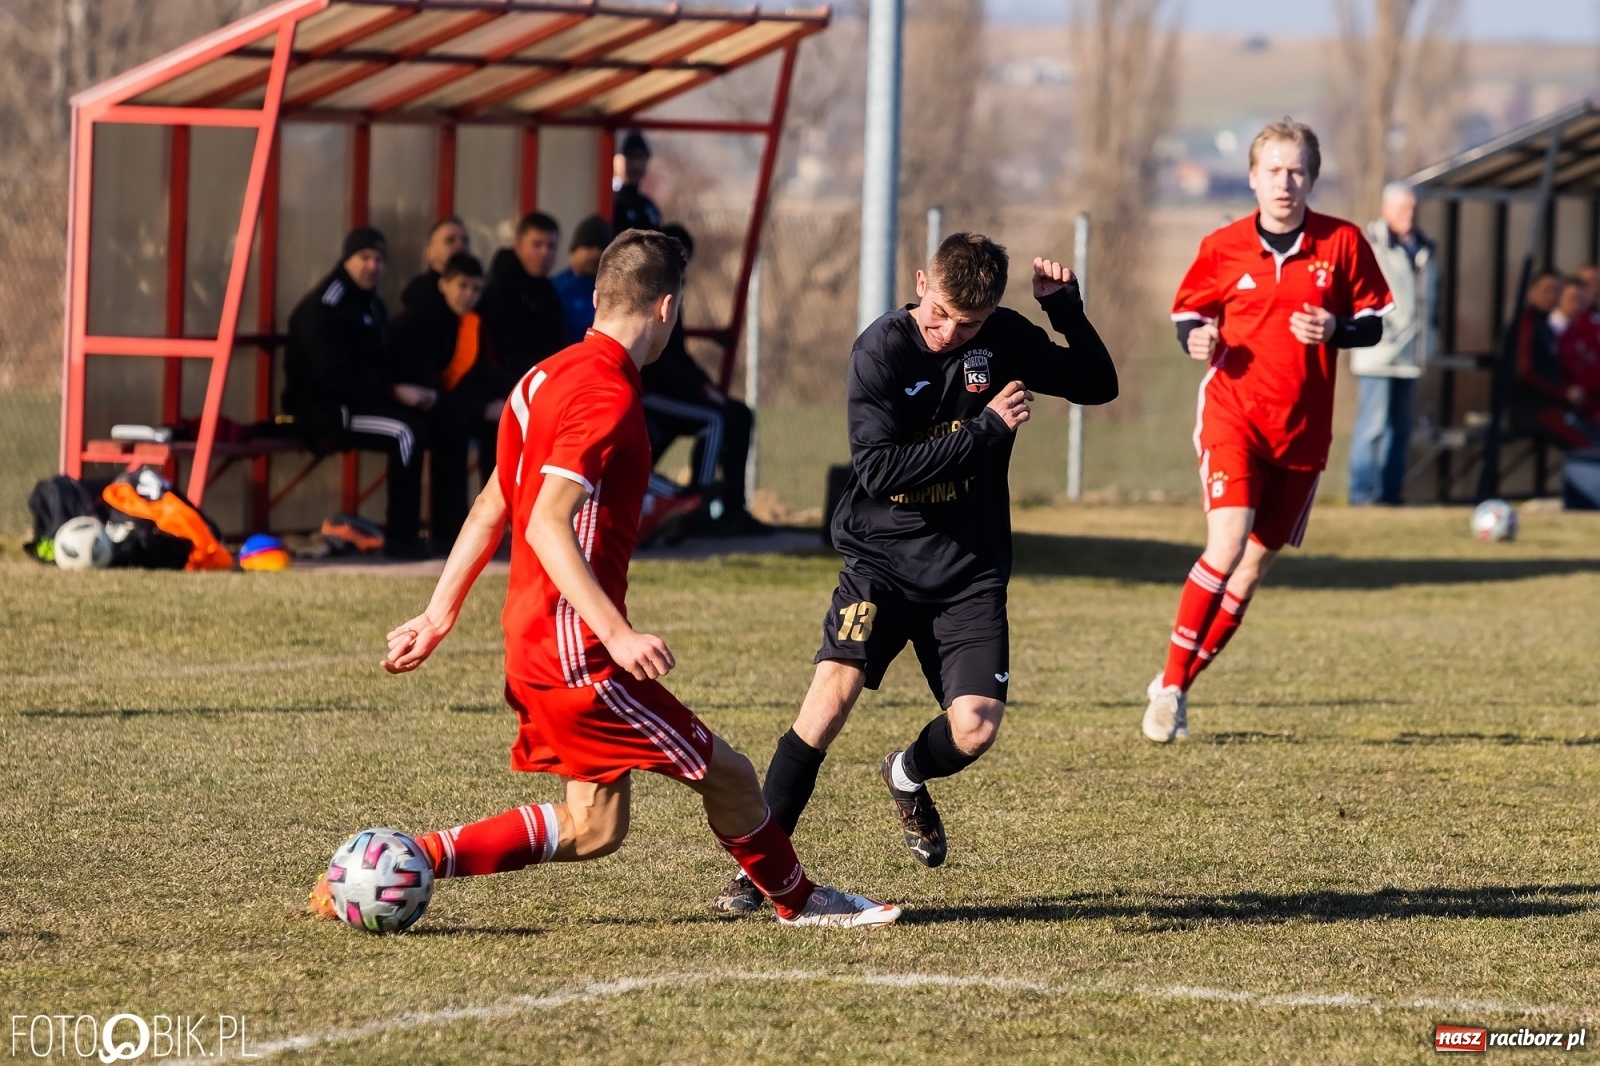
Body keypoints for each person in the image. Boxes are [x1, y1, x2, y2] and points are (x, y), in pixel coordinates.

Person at [310, 228, 900, 930]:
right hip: (577, 653)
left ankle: (408, 860)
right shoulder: (605, 396)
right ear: (667, 308)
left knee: (596, 828)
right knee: (732, 775)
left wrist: (439, 615)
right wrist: (617, 634)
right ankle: (801, 902)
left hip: (536, 639)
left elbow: (493, 503)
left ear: (596, 297)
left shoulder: (539, 379)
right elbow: (543, 523)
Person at [711, 232, 1118, 915]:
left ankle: (905, 772)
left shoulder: (1003, 339)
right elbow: (878, 471)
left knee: (976, 728)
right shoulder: (881, 351)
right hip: (882, 563)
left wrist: (1066, 311)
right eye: (940, 314)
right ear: (921, 284)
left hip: (968, 571)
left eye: (968, 324)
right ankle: (760, 873)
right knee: (828, 702)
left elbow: (1098, 385)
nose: (948, 333)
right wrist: (984, 431)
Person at [1143, 119, 1393, 744]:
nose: (1285, 182)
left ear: (1313, 178)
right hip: (1233, 414)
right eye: (1274, 170)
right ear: (1253, 178)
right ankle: (1169, 693)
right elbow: (1188, 313)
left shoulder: (1342, 242)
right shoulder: (1222, 246)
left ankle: (1176, 684)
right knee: (1226, 545)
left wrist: (1336, 330)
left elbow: (1375, 320)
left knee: (1251, 569)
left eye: (1297, 170)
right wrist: (1196, 337)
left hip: (1303, 432)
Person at [282, 226, 431, 560]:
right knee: (406, 433)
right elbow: (329, 377)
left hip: (361, 402)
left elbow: (379, 363)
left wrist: (417, 391)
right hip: (326, 411)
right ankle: (402, 540)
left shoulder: (372, 303)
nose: (372, 266)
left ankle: (450, 532)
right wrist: (393, 392)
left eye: (379, 259)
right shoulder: (326, 305)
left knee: (443, 421)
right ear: (347, 260)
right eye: (364, 257)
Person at [641, 223, 766, 535]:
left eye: (684, 259)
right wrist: (699, 389)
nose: (681, 265)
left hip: (674, 387)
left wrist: (704, 387)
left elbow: (678, 355)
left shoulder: (674, 292)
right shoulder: (648, 292)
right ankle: (697, 504)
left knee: (739, 414)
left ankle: (733, 509)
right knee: (714, 419)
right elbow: (660, 362)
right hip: (651, 390)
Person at [389, 252, 508, 555]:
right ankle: (438, 535)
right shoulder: (419, 321)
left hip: (442, 403)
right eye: (463, 286)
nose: (469, 295)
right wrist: (481, 409)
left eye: (476, 288)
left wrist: (496, 403)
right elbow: (424, 386)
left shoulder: (469, 322)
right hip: (401, 401)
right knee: (450, 428)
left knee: (495, 427)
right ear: (443, 284)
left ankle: (496, 527)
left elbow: (475, 375)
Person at [1349, 181, 1436, 506]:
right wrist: (1383, 331)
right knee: (1373, 427)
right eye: (1402, 208)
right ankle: (1363, 495)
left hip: (1412, 355)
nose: (1408, 214)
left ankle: (1390, 494)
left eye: (1413, 207)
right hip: (1379, 353)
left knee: (1400, 429)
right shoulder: (1371, 244)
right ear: (1386, 209)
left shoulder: (1424, 249)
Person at [478, 211, 568, 381]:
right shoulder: (500, 288)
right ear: (518, 245)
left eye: (551, 246)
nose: (545, 253)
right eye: (537, 245)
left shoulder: (548, 290)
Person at [553, 215, 611, 344]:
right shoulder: (556, 287)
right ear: (574, 251)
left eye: (601, 248)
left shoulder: (615, 290)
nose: (596, 254)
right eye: (589, 247)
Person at [400, 217, 471, 314]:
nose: (460, 245)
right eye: (450, 240)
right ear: (430, 253)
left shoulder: (479, 295)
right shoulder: (420, 296)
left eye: (465, 241)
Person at [611, 130, 662, 234]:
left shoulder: (649, 207)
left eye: (640, 157)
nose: (636, 165)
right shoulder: (614, 204)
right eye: (630, 157)